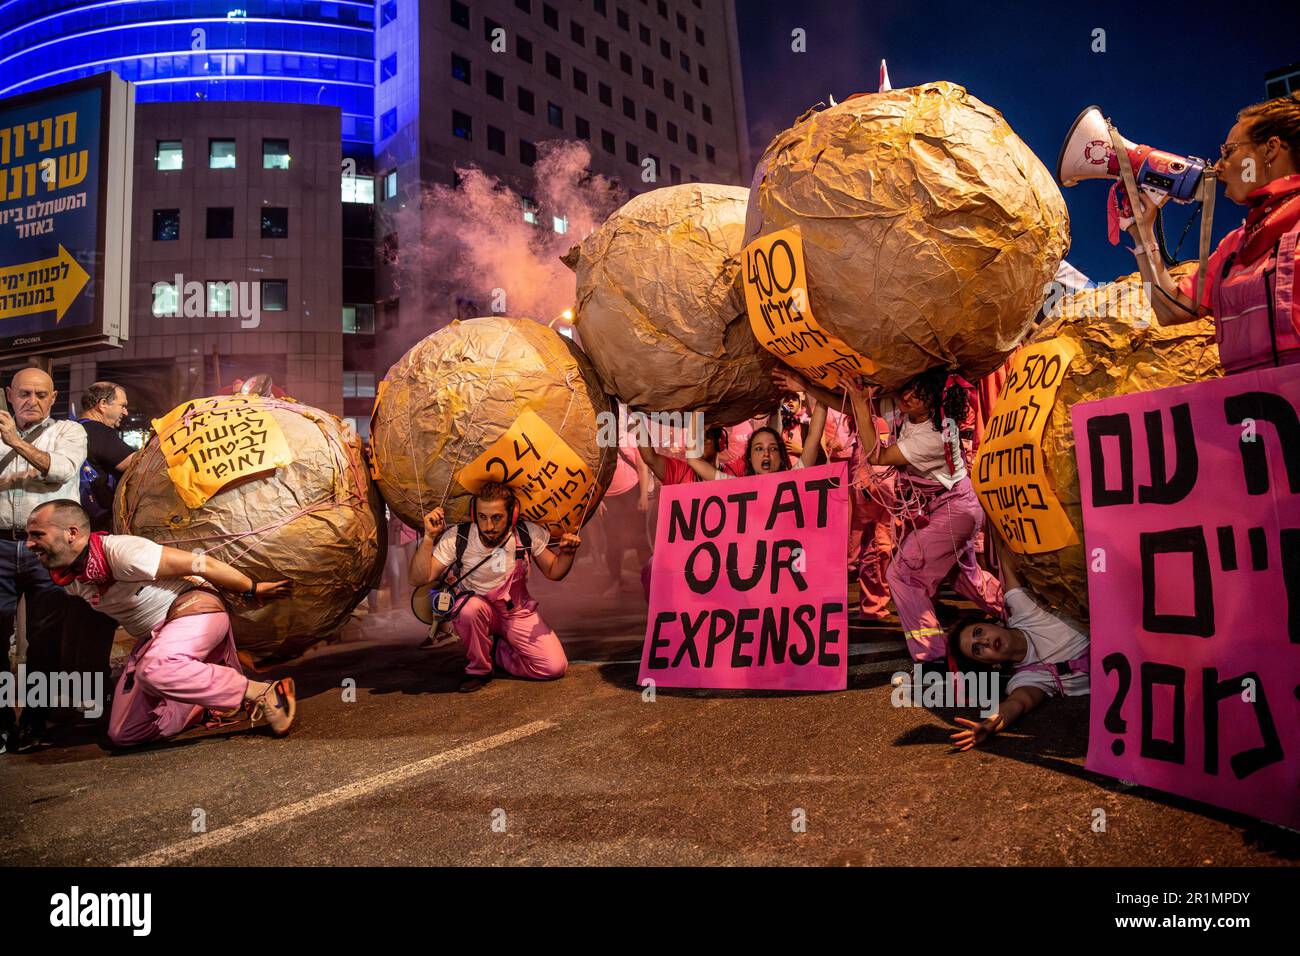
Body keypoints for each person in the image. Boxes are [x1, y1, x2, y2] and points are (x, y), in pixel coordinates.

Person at [24, 500, 297, 748]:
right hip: (154, 639)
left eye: (37, 535)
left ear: (72, 533)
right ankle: (201, 700)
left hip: (193, 611)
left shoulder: (123, 552)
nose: (28, 545)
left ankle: (262, 691)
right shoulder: (71, 581)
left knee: (154, 668)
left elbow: (201, 564)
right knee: (124, 733)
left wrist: (252, 588)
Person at [1128, 92, 1300, 372]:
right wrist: (1142, 234)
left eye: (1228, 152)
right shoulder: (1235, 246)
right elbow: (1170, 310)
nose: (1218, 167)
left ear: (1270, 149)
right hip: (1256, 408)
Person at [844, 367, 1002, 663]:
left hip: (953, 511)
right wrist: (804, 385)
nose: (909, 397)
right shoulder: (918, 414)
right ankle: (1018, 615)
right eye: (911, 389)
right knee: (965, 578)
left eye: (920, 395)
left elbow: (877, 456)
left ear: (935, 404)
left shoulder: (933, 435)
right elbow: (843, 397)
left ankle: (932, 655)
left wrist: (859, 400)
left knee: (901, 575)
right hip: (954, 507)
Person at [409, 482, 582, 693]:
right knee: (468, 609)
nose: (489, 526)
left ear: (513, 514)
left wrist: (567, 553)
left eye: (497, 517)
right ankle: (479, 669)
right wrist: (428, 538)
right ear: (474, 514)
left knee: (554, 668)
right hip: (477, 611)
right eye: (482, 517)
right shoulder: (459, 537)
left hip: (516, 613)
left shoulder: (526, 533)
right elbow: (419, 578)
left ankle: (499, 651)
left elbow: (554, 572)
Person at [0, 368, 87, 753]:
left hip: (49, 552)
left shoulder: (70, 432)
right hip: (1, 545)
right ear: (9, 395)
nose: (31, 401)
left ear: (53, 398)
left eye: (40, 394)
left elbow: (61, 470)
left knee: (44, 641)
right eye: (23, 394)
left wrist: (14, 442)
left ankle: (36, 723)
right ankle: (3, 726)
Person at [947, 536, 1090, 751]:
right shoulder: (1027, 677)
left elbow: (1007, 560)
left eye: (979, 632)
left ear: (994, 623)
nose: (984, 641)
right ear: (989, 664)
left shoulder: (1023, 610)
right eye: (977, 650)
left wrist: (1003, 526)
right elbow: (1017, 703)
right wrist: (990, 723)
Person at [682, 370, 827, 480]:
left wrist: (817, 386)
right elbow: (693, 459)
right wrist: (699, 410)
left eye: (774, 448)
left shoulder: (793, 479)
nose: (766, 453)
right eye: (758, 448)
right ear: (749, 458)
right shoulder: (737, 487)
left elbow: (814, 435)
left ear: (782, 456)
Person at [77, 381, 136, 533]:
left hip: (77, 518)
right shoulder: (98, 431)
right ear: (103, 404)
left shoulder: (75, 428)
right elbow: (137, 467)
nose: (125, 412)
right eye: (122, 405)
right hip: (98, 524)